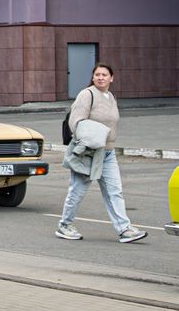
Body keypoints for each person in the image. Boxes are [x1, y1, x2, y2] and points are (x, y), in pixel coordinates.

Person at [56, 63, 148, 243]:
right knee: (78, 191)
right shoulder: (87, 94)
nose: (100, 78)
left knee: (115, 191)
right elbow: (76, 122)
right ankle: (65, 225)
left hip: (108, 153)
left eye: (104, 75)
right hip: (89, 153)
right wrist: (88, 143)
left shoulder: (111, 97)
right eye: (97, 74)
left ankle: (124, 229)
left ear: (111, 78)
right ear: (93, 77)